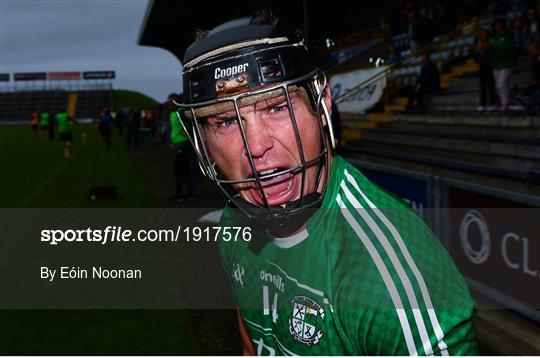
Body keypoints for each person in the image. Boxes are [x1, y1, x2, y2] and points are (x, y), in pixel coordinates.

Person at [176, 11, 478, 355]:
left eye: (276, 108)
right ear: (202, 138)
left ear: (322, 103)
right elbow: (252, 342)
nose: (256, 145)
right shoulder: (234, 224)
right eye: (227, 121)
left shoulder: (389, 286)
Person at [168, 94, 195, 202]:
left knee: (179, 170)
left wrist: (187, 131)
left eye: (171, 101)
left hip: (183, 144)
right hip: (178, 144)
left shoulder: (181, 111)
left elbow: (191, 121)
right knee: (183, 169)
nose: (169, 103)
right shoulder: (174, 112)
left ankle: (180, 195)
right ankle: (188, 194)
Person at [490, 19, 516, 111]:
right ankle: (503, 103)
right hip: (496, 65)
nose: (497, 26)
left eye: (499, 24)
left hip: (507, 64)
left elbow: (505, 47)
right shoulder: (492, 38)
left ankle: (505, 103)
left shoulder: (508, 36)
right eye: (496, 25)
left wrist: (492, 47)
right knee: (498, 86)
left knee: (502, 83)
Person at [475, 29, 497, 110]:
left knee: (491, 86)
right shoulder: (478, 44)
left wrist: (482, 49)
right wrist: (478, 50)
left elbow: (488, 50)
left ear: (488, 35)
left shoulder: (491, 42)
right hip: (482, 68)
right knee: (482, 87)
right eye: (481, 34)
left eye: (484, 34)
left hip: (490, 67)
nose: (483, 36)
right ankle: (482, 104)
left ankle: (492, 104)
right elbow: (476, 58)